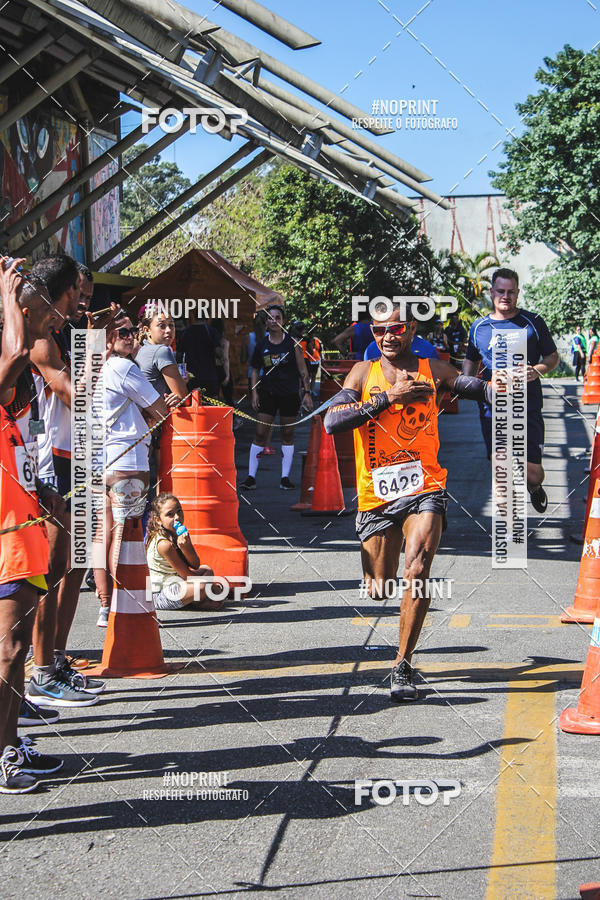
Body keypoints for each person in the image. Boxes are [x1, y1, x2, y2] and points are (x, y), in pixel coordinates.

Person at [324, 302, 497, 702]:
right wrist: (390, 397)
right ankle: (381, 581)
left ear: (411, 329)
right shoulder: (362, 373)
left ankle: (402, 664)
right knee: (380, 587)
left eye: (396, 328)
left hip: (424, 486)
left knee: (417, 568)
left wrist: (498, 386)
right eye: (379, 329)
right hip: (377, 495)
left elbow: (471, 387)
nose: (388, 336)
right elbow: (333, 421)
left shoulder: (430, 369)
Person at [26, 254, 103, 707]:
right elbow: (67, 390)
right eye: (79, 293)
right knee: (52, 569)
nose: (83, 301)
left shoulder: (67, 333)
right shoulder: (40, 338)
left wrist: (98, 343)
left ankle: (56, 661)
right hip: (52, 460)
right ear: (62, 292)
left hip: (80, 456)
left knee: (75, 567)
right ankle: (40, 672)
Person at [0, 256, 64, 791]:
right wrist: (8, 292)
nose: (55, 319)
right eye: (45, 309)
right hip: (7, 536)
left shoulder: (21, 389)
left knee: (14, 650)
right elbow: (18, 353)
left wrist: (42, 489)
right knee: (8, 651)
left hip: (25, 525)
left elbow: (24, 439)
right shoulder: (10, 364)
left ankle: (10, 744)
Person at [92, 315, 170, 627]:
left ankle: (105, 604)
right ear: (108, 337)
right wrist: (152, 416)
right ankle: (121, 605)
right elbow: (160, 407)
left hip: (101, 459)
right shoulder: (123, 367)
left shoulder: (94, 368)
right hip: (128, 460)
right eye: (121, 332)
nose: (130, 336)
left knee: (103, 532)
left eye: (132, 331)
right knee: (125, 535)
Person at [462, 267, 559, 513]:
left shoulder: (533, 322)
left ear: (517, 293)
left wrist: (536, 370)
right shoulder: (479, 327)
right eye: (500, 291)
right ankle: (508, 522)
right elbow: (471, 360)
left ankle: (534, 487)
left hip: (527, 406)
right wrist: (466, 384)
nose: (505, 296)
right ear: (491, 292)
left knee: (534, 474)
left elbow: (552, 357)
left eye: (511, 292)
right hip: (492, 408)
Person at [241, 305, 313, 490]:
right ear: (266, 322)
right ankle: (250, 477)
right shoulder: (261, 345)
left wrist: (306, 393)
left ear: (283, 321)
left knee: (287, 434)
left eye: (277, 317)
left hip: (289, 394)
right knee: (260, 433)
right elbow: (255, 370)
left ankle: (285, 478)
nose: (274, 321)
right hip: (268, 393)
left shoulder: (292, 344)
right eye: (270, 318)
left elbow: (303, 370)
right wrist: (254, 392)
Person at [146, 493, 219, 611]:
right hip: (160, 594)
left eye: (179, 511)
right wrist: (210, 587)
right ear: (158, 520)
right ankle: (199, 600)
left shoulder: (177, 534)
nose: (177, 517)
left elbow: (195, 565)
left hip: (177, 582)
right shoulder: (164, 544)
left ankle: (199, 598)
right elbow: (187, 576)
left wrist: (186, 547)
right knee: (202, 586)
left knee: (207, 570)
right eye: (170, 514)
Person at [179, 315, 221, 399]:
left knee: (193, 401)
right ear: (207, 317)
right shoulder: (211, 331)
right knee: (211, 402)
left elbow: (179, 355)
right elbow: (218, 352)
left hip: (191, 375)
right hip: (209, 374)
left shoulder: (186, 332)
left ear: (195, 317)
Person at [363, 333, 439, 361]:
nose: (388, 337)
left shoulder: (428, 349)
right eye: (381, 329)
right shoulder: (372, 349)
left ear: (412, 327)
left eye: (397, 328)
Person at [211, 319, 234, 406]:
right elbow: (225, 359)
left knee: (214, 398)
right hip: (221, 369)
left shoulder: (209, 341)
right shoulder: (224, 342)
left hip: (212, 369)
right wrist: (227, 375)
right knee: (228, 398)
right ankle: (232, 414)